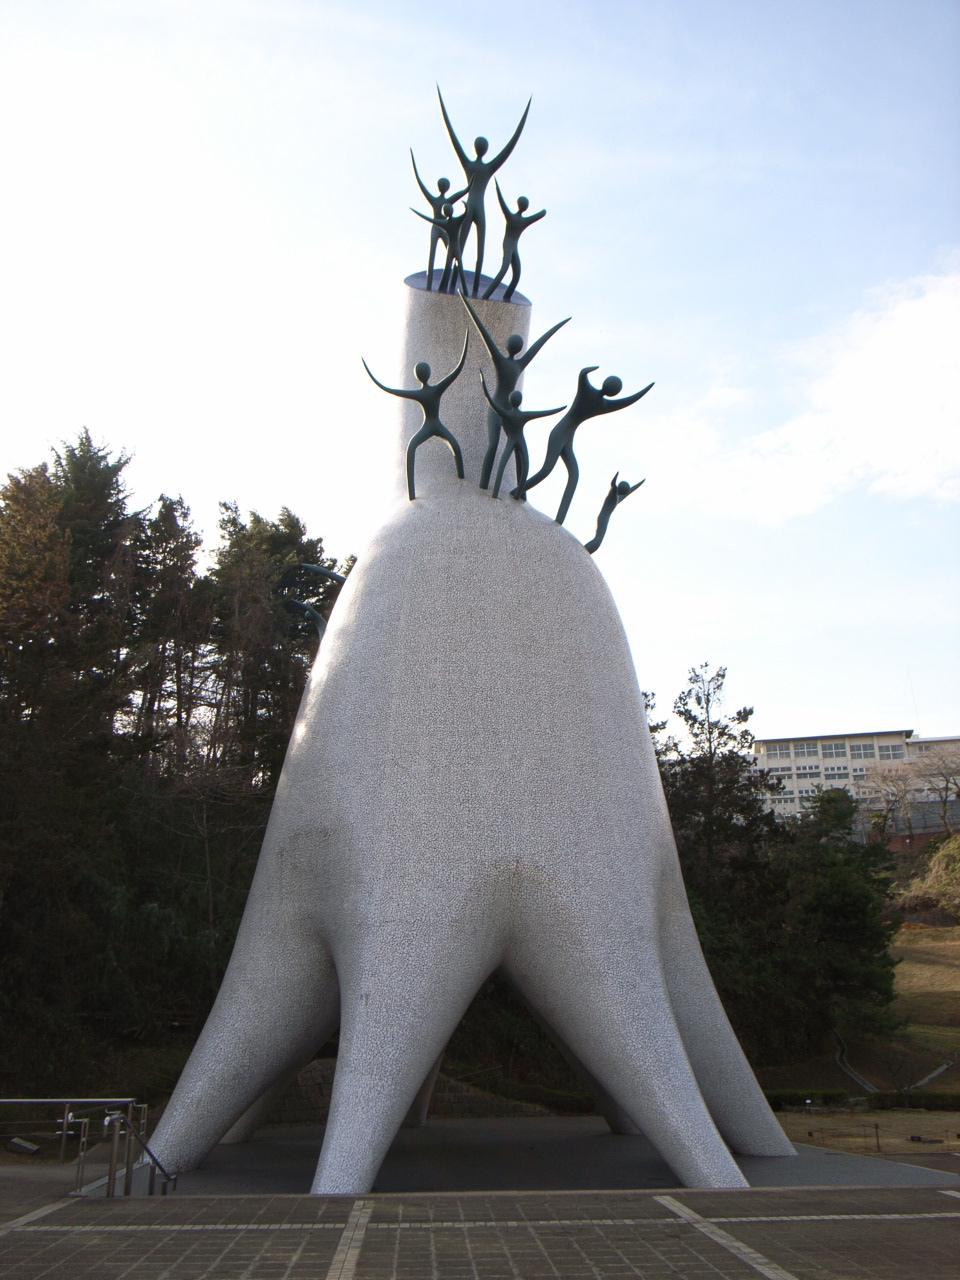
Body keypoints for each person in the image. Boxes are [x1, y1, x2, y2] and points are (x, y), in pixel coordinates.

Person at [459, 293, 569, 489]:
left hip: (498, 406)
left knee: (496, 445)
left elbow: (484, 333)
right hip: (506, 408)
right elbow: (537, 345)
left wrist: (467, 304)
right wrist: (555, 328)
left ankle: (487, 485)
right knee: (515, 448)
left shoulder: (503, 360)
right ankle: (510, 488)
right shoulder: (519, 363)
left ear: (508, 346)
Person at [518, 368, 654, 525]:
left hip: (568, 437)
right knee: (546, 470)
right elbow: (586, 377)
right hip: (559, 434)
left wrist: (589, 370)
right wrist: (642, 392)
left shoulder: (596, 399)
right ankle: (518, 491)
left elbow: (583, 375)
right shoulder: (594, 398)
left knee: (574, 475)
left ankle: (559, 520)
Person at [437, 87, 530, 295]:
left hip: (468, 207)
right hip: (479, 208)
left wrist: (445, 115)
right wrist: (519, 128)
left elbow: (453, 139)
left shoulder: (470, 165)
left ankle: (454, 281)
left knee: (461, 245)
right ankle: (472, 285)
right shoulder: (487, 168)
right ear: (485, 150)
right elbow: (508, 149)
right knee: (478, 247)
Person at [362, 335, 469, 500]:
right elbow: (457, 370)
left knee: (412, 447)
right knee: (453, 445)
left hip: (430, 425)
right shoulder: (436, 389)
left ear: (418, 377)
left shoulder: (422, 392)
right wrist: (465, 346)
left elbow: (391, 390)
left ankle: (412, 493)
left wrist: (375, 379)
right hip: (435, 425)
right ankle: (460, 474)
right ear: (429, 374)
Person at [479, 376, 565, 500]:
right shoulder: (522, 415)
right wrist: (558, 409)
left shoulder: (507, 413)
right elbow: (542, 413)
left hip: (511, 441)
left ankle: (496, 492)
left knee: (503, 464)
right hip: (520, 441)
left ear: (510, 401)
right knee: (525, 466)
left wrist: (484, 384)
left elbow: (492, 404)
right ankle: (519, 493)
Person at [410, 151, 468, 290]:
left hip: (438, 229)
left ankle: (432, 285)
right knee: (449, 255)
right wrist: (469, 187)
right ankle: (433, 286)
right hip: (441, 230)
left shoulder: (436, 200)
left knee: (435, 256)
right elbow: (462, 193)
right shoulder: (446, 201)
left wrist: (416, 172)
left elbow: (421, 185)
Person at [481, 182, 545, 301]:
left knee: (516, 274)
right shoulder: (514, 218)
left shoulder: (520, 220)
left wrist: (497, 189)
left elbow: (502, 203)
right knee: (504, 268)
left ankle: (507, 296)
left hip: (513, 246)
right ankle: (486, 295)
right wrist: (543, 212)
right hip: (508, 245)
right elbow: (503, 204)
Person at [584, 473, 644, 553]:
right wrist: (616, 476)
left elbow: (630, 491)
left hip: (605, 519)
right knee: (597, 541)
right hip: (603, 518)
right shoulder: (613, 494)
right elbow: (613, 484)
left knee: (598, 542)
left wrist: (640, 483)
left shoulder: (618, 498)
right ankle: (582, 551)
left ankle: (583, 552)